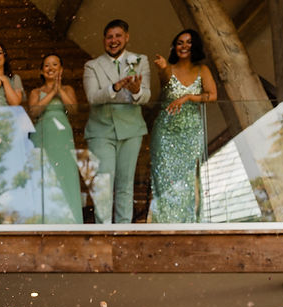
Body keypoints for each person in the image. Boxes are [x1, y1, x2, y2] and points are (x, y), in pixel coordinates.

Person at [83, 19, 151, 224]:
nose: (114, 40)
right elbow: (92, 97)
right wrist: (114, 88)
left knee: (125, 183)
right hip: (101, 130)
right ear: (104, 40)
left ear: (127, 37)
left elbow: (146, 95)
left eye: (118, 36)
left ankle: (124, 230)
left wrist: (136, 91)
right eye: (109, 37)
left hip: (131, 129)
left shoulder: (140, 60)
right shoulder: (92, 65)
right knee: (103, 183)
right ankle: (103, 230)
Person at [149, 29, 217, 223]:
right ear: (174, 47)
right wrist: (163, 68)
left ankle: (188, 224)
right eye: (180, 43)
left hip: (190, 132)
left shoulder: (202, 70)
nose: (184, 46)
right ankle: (163, 226)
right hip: (165, 132)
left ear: (195, 46)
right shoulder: (168, 69)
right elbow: (165, 83)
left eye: (188, 42)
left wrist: (188, 97)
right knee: (163, 180)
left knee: (188, 179)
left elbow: (212, 95)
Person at [28, 53, 83, 223]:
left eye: (54, 64)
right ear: (41, 71)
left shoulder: (68, 89)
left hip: (62, 137)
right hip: (42, 136)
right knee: (43, 175)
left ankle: (70, 221)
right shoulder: (36, 92)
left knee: (65, 174)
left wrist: (59, 90)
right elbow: (34, 112)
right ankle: (43, 221)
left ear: (61, 69)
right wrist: (52, 93)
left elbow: (73, 110)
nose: (50, 68)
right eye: (46, 65)